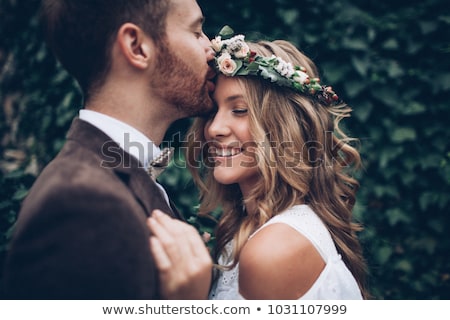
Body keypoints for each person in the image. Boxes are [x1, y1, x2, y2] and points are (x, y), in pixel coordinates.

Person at [1, 0, 216, 299]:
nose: (212, 48)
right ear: (137, 46)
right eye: (196, 32)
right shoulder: (80, 203)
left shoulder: (111, 179)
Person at [147, 26, 369, 299]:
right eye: (213, 111)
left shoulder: (274, 249)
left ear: (286, 126)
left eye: (239, 110)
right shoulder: (248, 229)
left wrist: (187, 298)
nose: (214, 128)